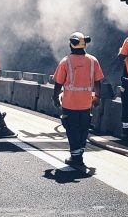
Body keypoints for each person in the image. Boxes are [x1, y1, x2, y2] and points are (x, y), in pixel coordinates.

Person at [52, 31, 104, 168]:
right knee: (83, 130)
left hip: (70, 104)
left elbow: (58, 82)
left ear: (72, 44)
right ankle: (79, 154)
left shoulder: (66, 61)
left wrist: (55, 97)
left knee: (72, 129)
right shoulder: (93, 61)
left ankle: (76, 157)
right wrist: (97, 97)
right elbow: (98, 82)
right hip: (86, 104)